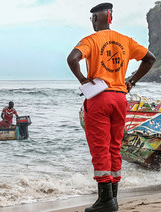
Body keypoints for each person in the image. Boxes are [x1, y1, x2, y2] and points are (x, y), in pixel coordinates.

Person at [67, 3, 155, 212]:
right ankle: (112, 197)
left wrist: (82, 79)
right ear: (111, 19)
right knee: (115, 147)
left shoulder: (91, 40)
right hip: (120, 99)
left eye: (92, 19)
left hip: (100, 99)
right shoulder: (126, 41)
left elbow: (72, 59)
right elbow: (149, 59)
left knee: (100, 149)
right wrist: (131, 81)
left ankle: (105, 200)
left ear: (95, 19)